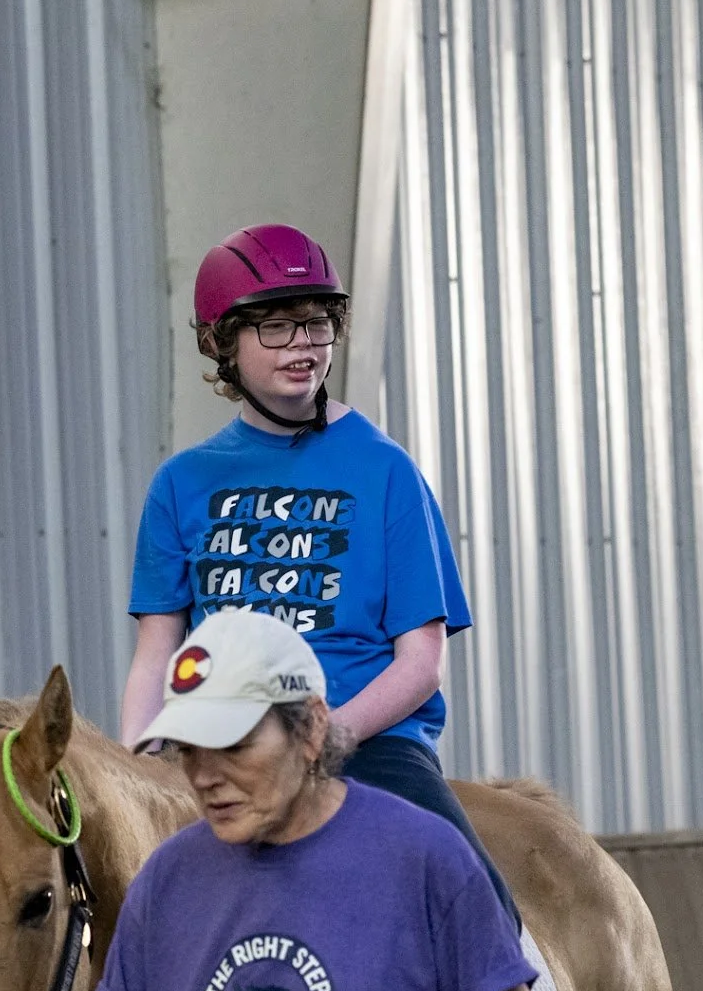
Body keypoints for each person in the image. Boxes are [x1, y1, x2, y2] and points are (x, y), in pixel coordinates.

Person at [0, 611, 551, 991]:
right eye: (189, 749)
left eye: (233, 744)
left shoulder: (425, 862)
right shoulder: (166, 886)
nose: (204, 775)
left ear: (311, 730)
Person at [119, 222, 521, 935]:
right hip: (221, 741)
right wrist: (142, 760)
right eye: (275, 327)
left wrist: (326, 738)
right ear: (221, 344)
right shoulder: (181, 484)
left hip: (365, 748)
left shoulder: (386, 469)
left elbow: (422, 663)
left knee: (469, 894)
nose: (303, 344)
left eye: (315, 322)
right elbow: (158, 650)